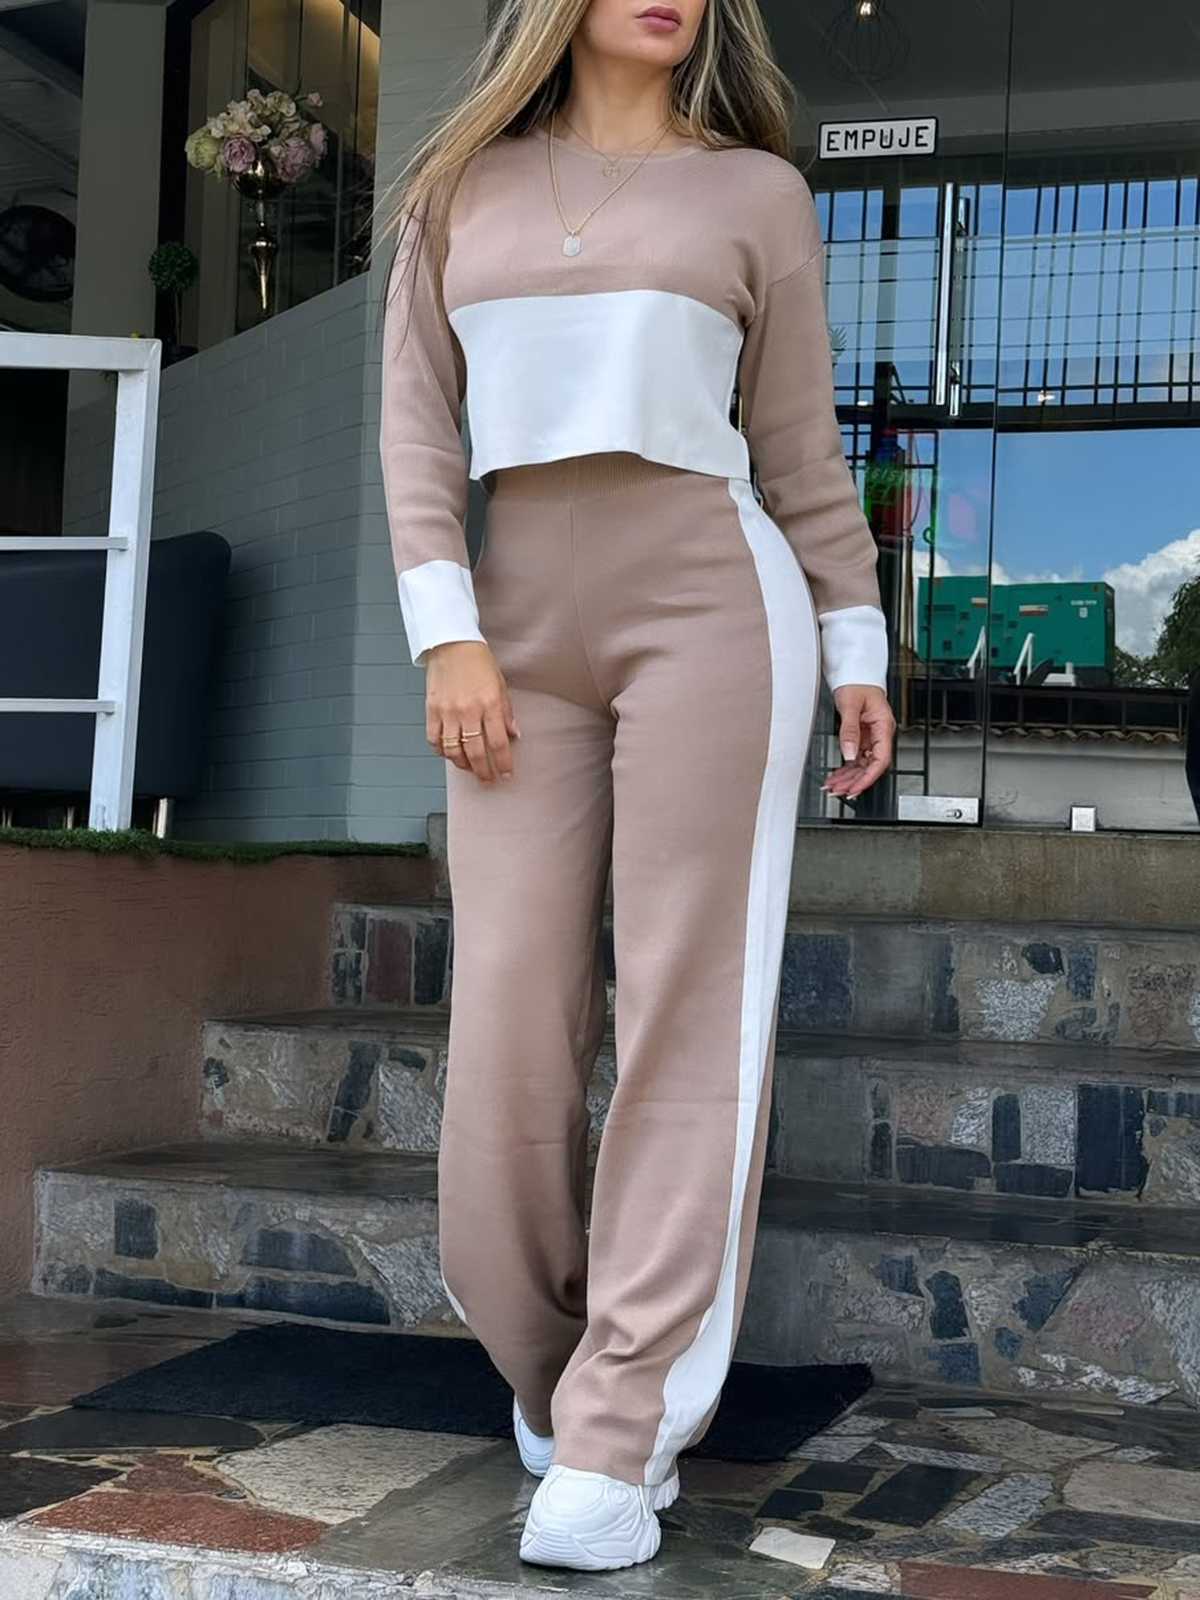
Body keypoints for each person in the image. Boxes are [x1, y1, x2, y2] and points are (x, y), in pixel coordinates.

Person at [377, 0, 896, 1573]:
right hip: (511, 628)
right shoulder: (456, 189)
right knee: (509, 1012)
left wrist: (855, 641)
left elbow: (798, 446)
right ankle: (553, 1364)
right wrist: (446, 634)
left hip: (716, 605)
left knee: (690, 1006)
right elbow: (415, 431)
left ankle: (621, 1422)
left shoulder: (753, 193)